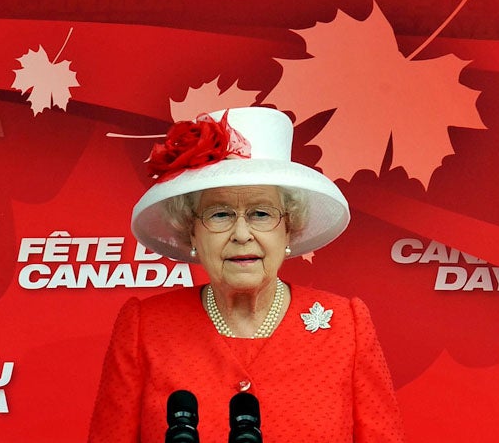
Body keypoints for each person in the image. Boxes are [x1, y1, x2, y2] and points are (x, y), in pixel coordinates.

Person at [88, 107, 403, 442]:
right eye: (220, 214)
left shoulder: (346, 327)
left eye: (261, 213)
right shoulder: (145, 328)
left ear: (289, 228)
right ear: (192, 233)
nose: (241, 234)